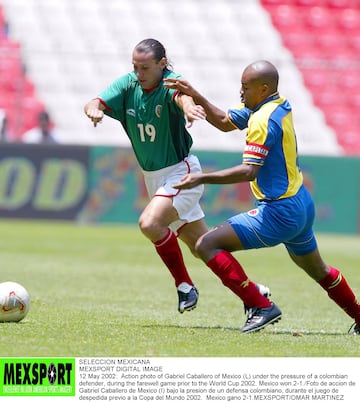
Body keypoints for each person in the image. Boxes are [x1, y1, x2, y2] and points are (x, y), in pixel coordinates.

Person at [164, 60, 360, 334]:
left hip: (279, 211)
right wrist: (194, 93)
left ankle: (260, 306)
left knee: (205, 245)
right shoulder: (277, 105)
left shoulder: (261, 120)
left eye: (246, 87)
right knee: (319, 270)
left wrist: (202, 177)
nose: (240, 92)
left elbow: (249, 171)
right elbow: (223, 121)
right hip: (301, 204)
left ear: (264, 87)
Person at [84, 38, 209, 314]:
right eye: (135, 67)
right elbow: (97, 101)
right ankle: (254, 292)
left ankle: (184, 286)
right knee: (203, 247)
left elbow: (182, 96)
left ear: (162, 65)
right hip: (154, 179)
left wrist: (188, 108)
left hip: (180, 171)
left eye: (145, 68)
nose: (139, 73)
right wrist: (93, 108)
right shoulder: (129, 84)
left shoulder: (170, 82)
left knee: (150, 224)